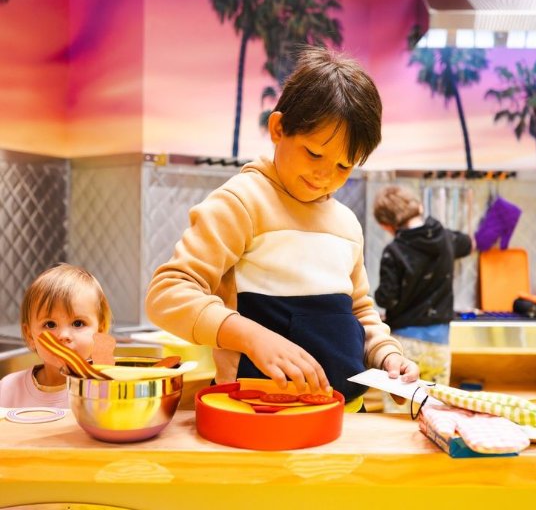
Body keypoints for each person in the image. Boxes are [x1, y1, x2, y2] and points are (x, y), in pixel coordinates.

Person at [145, 46, 419, 411]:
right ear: (278, 129)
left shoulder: (346, 225)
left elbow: (359, 312)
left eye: (343, 166)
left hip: (347, 413)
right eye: (314, 153)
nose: (325, 175)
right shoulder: (242, 202)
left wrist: (387, 356)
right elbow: (167, 294)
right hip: (257, 412)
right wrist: (251, 336)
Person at [373, 185, 474, 412]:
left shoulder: (394, 251)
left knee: (399, 413)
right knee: (435, 411)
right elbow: (469, 244)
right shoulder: (447, 238)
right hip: (439, 343)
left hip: (404, 346)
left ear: (387, 226)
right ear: (418, 207)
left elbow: (386, 298)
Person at [0, 264, 112, 408]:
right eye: (50, 325)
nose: (63, 336)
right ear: (30, 336)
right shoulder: (8, 390)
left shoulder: (106, 391)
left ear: (100, 332)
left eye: (78, 323)